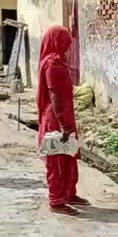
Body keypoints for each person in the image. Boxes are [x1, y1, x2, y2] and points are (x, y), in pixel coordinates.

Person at [36, 25, 86, 215]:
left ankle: (69, 193)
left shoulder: (59, 62)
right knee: (57, 162)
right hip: (56, 119)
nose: (67, 46)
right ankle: (56, 200)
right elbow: (55, 95)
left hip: (65, 116)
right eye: (65, 42)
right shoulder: (52, 64)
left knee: (69, 158)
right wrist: (64, 125)